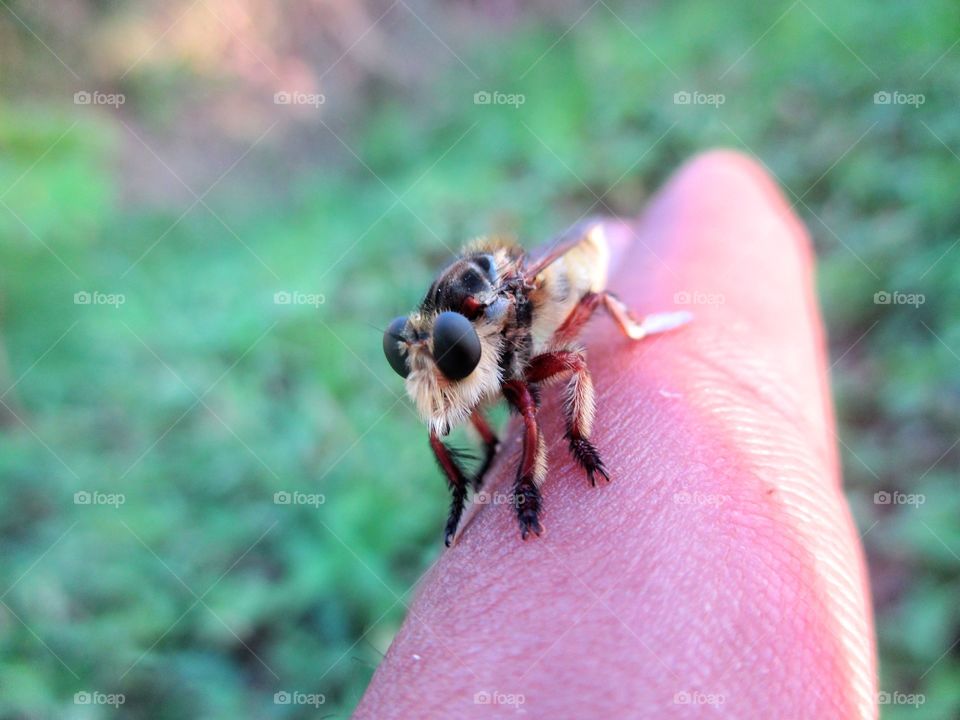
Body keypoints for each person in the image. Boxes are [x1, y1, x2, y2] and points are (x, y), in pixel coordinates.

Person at [355, 151, 877, 719]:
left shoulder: (497, 316)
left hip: (568, 273)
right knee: (463, 414)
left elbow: (535, 389)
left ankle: (547, 466)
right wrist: (470, 471)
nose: (423, 375)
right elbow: (446, 412)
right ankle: (483, 473)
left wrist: (556, 456)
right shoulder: (447, 343)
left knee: (545, 382)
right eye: (412, 358)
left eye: (445, 358)